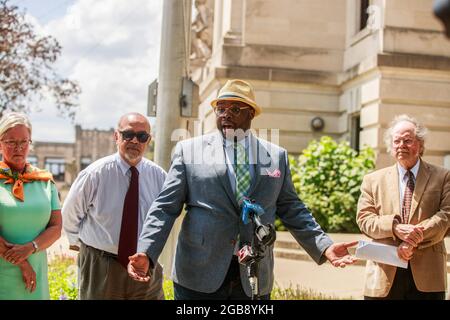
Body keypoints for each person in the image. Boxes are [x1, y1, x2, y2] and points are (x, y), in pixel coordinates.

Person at [127, 79, 357, 300]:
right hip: (198, 273)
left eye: (235, 108)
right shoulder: (189, 151)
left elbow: (292, 209)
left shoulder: (276, 157)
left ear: (251, 114)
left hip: (254, 274)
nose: (226, 113)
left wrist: (324, 246)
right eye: (221, 108)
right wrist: (147, 251)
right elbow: (165, 207)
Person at [62, 112, 167, 300]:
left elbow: (165, 218)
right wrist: (88, 250)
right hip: (101, 266)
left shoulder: (160, 177)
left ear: (148, 140)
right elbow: (70, 216)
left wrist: (148, 255)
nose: (135, 140)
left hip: (145, 266)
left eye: (142, 136)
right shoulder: (95, 174)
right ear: (116, 136)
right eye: (128, 134)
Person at [357, 114, 450, 300]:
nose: (401, 145)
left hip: (428, 274)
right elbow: (364, 219)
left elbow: (446, 215)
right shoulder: (372, 180)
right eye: (396, 141)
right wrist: (395, 228)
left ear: (420, 145)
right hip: (383, 272)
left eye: (408, 140)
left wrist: (412, 239)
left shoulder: (443, 176)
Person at [0, 112, 62, 300]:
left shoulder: (45, 180)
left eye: (24, 142)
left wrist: (31, 248)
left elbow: (56, 227)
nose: (18, 148)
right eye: (11, 142)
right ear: (0, 143)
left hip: (37, 273)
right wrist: (23, 263)